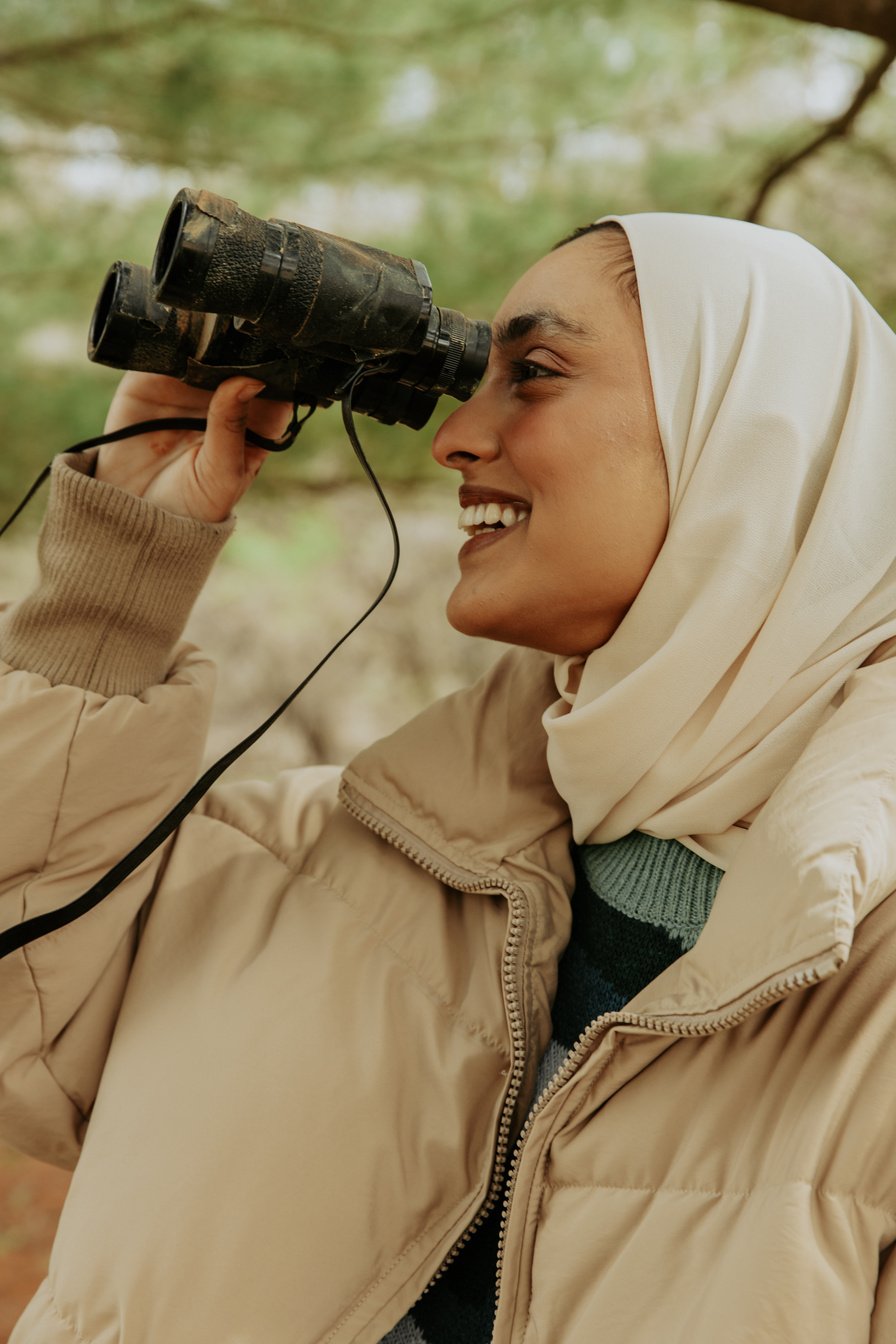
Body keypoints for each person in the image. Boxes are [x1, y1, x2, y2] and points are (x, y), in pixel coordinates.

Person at [1, 211, 895, 1344]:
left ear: (758, 434)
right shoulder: (296, 865)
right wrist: (121, 567)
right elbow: (22, 1001)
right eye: (475, 377)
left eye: (533, 373)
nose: (454, 437)